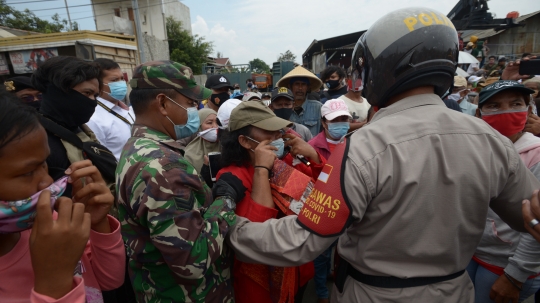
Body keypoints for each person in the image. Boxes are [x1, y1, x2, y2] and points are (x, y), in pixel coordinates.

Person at [224, 7, 540, 302]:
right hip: (456, 290)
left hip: (374, 293)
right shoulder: (490, 140)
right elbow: (532, 217)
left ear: (385, 68)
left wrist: (231, 230)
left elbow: (301, 240)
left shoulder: (362, 146)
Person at [116, 61, 240, 303]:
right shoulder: (164, 166)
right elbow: (193, 262)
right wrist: (225, 202)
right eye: (190, 104)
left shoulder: (136, 147)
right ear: (163, 103)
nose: (196, 109)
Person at [0, 94, 125, 303]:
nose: (47, 181)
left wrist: (98, 225)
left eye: (43, 164)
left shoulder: (52, 223)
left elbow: (109, 280)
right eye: (26, 173)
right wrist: (53, 282)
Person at [217, 100, 326, 303]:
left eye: (279, 130)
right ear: (245, 141)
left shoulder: (282, 165)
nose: (278, 136)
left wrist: (315, 158)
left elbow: (323, 195)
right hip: (259, 286)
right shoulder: (232, 177)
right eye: (270, 131)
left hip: (297, 274)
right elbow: (258, 234)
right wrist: (261, 170)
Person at [466, 80, 540, 303]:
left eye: (515, 103)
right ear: (480, 114)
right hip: (474, 254)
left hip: (507, 263)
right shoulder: (476, 149)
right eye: (495, 106)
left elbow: (536, 223)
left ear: (528, 110)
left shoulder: (536, 155)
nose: (506, 111)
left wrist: (515, 276)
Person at [31, 56, 117, 197]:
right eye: (87, 93)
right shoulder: (37, 141)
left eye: (95, 95)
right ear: (57, 92)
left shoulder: (83, 131)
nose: (92, 102)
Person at [307, 98, 351, 303]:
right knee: (321, 253)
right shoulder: (312, 147)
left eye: (344, 119)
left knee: (344, 250)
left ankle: (335, 279)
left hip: (349, 205)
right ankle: (322, 292)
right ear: (324, 122)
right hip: (324, 207)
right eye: (335, 120)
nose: (341, 123)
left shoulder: (353, 142)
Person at [86, 58, 134, 161]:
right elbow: (100, 158)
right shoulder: (94, 118)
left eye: (122, 78)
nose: (121, 83)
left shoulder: (127, 110)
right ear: (98, 84)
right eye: (114, 80)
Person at [277, 66, 323, 137]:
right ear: (290, 86)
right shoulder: (283, 109)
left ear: (308, 87)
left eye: (303, 84)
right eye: (297, 84)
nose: (300, 88)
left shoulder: (318, 107)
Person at [184, 108, 220, 173]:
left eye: (217, 122)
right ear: (199, 126)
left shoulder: (228, 146)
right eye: (209, 123)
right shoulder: (190, 154)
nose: (215, 126)